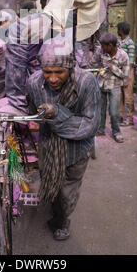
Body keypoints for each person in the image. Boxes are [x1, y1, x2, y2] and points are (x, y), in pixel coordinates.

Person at [26, 37, 100, 241]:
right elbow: (32, 113)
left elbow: (90, 124)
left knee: (67, 192)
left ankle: (62, 221)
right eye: (47, 72)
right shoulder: (34, 82)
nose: (52, 78)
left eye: (59, 72)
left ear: (70, 66)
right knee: (51, 183)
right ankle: (56, 209)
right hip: (48, 145)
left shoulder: (87, 82)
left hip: (76, 149)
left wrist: (57, 113)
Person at [89, 32, 129, 142]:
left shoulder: (123, 55)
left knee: (114, 112)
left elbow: (125, 75)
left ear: (110, 46)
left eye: (103, 46)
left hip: (115, 86)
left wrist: (112, 67)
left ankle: (116, 132)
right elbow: (92, 64)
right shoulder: (100, 51)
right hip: (101, 84)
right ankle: (100, 129)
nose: (101, 48)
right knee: (100, 110)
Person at [117, 21, 135, 126]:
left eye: (118, 29)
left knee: (128, 96)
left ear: (121, 30)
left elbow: (131, 62)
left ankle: (130, 118)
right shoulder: (119, 42)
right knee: (120, 96)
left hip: (127, 72)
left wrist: (126, 76)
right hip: (120, 72)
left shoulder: (130, 43)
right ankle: (120, 116)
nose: (118, 31)